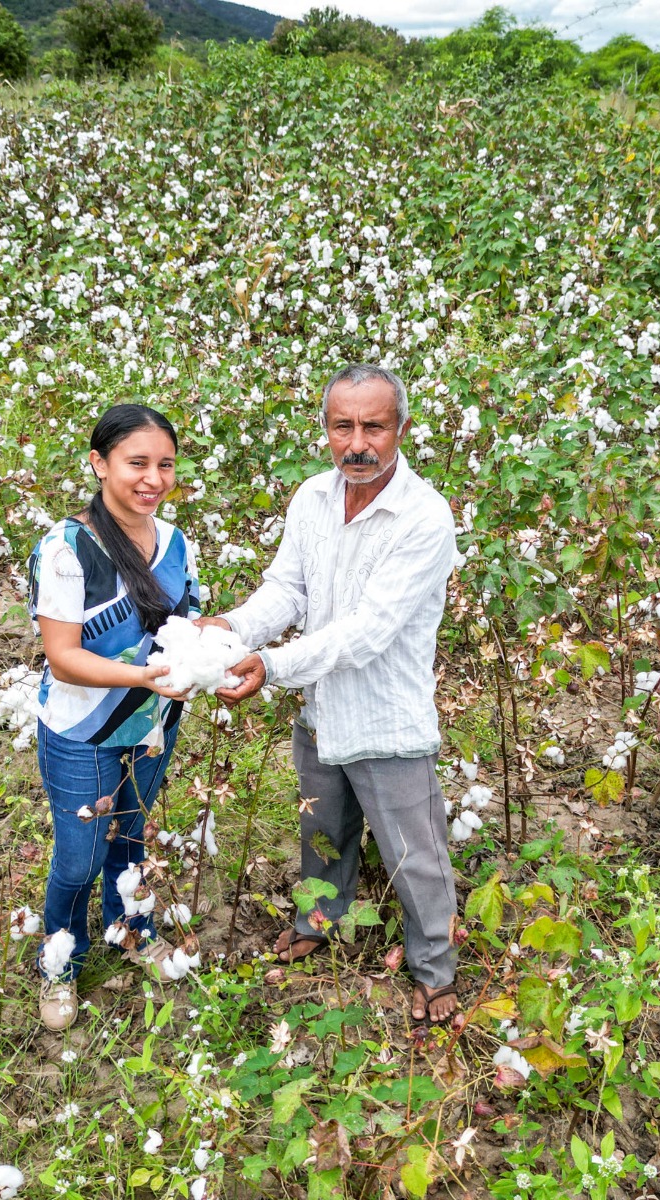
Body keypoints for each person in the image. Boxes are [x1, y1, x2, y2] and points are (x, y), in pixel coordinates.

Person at [200, 364, 462, 1024]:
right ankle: (320, 920)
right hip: (321, 712)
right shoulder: (313, 499)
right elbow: (288, 589)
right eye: (342, 426)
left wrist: (272, 664)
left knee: (414, 855)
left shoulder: (424, 519)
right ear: (325, 430)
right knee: (323, 832)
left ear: (402, 428)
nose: (358, 443)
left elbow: (367, 632)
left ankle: (435, 969)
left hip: (387, 720)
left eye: (374, 426)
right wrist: (231, 629)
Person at [27, 403, 196, 1030]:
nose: (153, 478)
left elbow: (183, 623)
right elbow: (64, 658)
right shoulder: (68, 548)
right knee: (78, 856)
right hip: (81, 733)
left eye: (165, 465)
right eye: (137, 464)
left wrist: (209, 655)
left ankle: (129, 927)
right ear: (99, 464)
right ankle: (59, 959)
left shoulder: (177, 543)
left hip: (153, 727)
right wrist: (146, 675)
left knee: (130, 839)